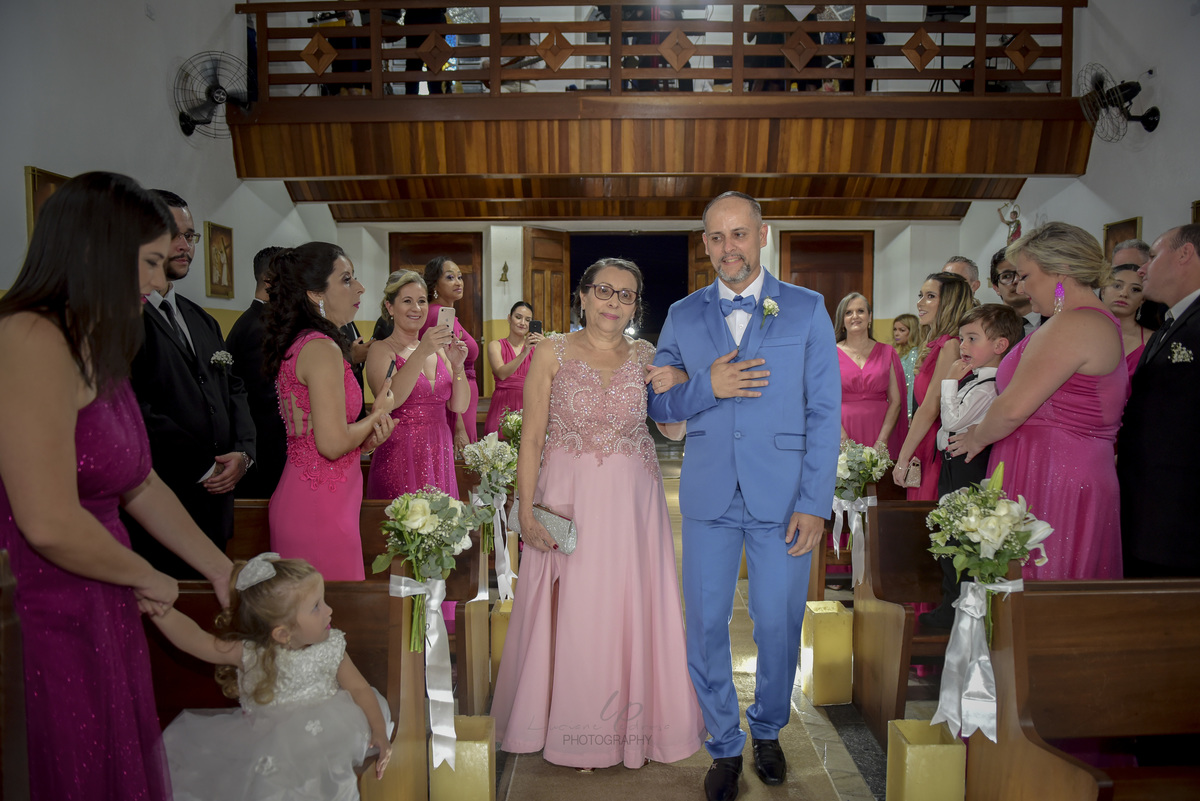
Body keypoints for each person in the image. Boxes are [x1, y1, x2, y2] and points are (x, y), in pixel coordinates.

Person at [0, 171, 233, 800]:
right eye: (150, 262)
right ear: (95, 251)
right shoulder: (28, 337)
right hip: (47, 601)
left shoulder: (94, 342)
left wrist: (219, 569)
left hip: (102, 586)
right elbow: (47, 520)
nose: (158, 282)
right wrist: (146, 575)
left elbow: (140, 481)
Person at [646, 192, 840, 801]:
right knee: (705, 624)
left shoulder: (807, 308)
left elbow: (824, 411)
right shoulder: (682, 314)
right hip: (708, 495)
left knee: (777, 624)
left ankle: (769, 729)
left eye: (739, 234)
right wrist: (708, 385)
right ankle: (725, 744)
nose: (728, 247)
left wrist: (815, 502)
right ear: (705, 243)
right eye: (716, 237)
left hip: (784, 499)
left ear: (762, 235)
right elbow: (660, 404)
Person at [492, 257, 704, 770]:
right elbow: (532, 438)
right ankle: (571, 726)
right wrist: (525, 508)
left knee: (630, 602)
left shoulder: (647, 355)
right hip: (568, 496)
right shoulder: (551, 351)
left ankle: (634, 729)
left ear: (635, 306)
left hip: (633, 506)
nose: (614, 302)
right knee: (577, 607)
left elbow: (672, 429)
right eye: (604, 291)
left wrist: (681, 383)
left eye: (626, 295)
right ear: (583, 296)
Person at [950, 222, 1127, 580]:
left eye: (1026, 276)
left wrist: (976, 437)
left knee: (1045, 583)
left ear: (1060, 271)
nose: (1020, 287)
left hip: (1055, 472)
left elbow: (1013, 408)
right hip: (1052, 464)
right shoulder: (1083, 322)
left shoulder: (1074, 324)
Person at [153, 554, 392, 798]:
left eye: (323, 600)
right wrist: (162, 613)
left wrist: (379, 730)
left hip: (328, 734)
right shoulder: (251, 654)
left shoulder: (331, 647)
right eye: (316, 606)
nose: (329, 610)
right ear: (283, 633)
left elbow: (360, 689)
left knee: (329, 780)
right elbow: (197, 641)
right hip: (270, 745)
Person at [124, 189, 256, 577]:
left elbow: (233, 388)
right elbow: (135, 406)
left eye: (190, 235)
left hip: (216, 500)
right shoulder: (123, 319)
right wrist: (202, 465)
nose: (185, 246)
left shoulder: (200, 319)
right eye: (173, 235)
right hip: (158, 497)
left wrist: (244, 451)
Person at [262, 243, 398, 581]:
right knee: (327, 607)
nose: (360, 288)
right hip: (319, 507)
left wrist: (366, 439)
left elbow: (318, 433)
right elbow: (332, 443)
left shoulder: (306, 342)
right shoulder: (321, 348)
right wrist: (377, 413)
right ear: (315, 292)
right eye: (347, 279)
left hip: (316, 496)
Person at [922, 304, 1022, 629]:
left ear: (1000, 345)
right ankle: (951, 605)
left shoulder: (988, 386)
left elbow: (952, 421)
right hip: (954, 465)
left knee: (961, 539)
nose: (963, 346)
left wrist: (948, 382)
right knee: (949, 535)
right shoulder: (975, 380)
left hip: (968, 469)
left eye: (971, 339)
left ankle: (957, 611)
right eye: (962, 338)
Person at [1120, 224, 1200, 577]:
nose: (1142, 269)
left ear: (1185, 254)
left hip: (1183, 513)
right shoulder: (1170, 323)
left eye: (1151, 257)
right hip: (1153, 508)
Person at [364, 270, 468, 503]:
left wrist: (458, 367)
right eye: (407, 301)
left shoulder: (439, 351)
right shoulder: (381, 350)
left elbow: (458, 405)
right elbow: (393, 400)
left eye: (421, 301)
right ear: (390, 307)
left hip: (439, 448)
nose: (417, 308)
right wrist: (422, 351)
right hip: (400, 452)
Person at [891, 272, 975, 500]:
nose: (920, 303)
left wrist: (902, 458)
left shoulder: (951, 346)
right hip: (924, 437)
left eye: (930, 296)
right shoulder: (937, 344)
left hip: (935, 444)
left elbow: (930, 407)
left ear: (949, 303)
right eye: (920, 295)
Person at [226, 246, 288, 498]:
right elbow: (266, 401)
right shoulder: (258, 328)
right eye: (289, 278)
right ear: (269, 280)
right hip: (267, 452)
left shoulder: (266, 322)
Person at [835, 292, 908, 458]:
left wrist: (882, 440)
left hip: (881, 430)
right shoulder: (830, 354)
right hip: (842, 431)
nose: (855, 316)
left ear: (870, 317)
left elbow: (896, 401)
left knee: (879, 474)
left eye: (860, 311)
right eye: (848, 312)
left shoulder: (887, 352)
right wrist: (841, 436)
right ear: (842, 320)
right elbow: (824, 400)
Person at [420, 257, 480, 451]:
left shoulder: (446, 314)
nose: (458, 282)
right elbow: (443, 371)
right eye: (450, 277)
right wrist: (459, 426)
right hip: (455, 404)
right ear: (435, 284)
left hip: (462, 397)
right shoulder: (438, 315)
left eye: (460, 277)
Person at [483, 300, 541, 436]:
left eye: (528, 320)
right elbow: (502, 374)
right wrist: (524, 352)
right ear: (509, 318)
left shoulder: (537, 349)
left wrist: (544, 347)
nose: (523, 323)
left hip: (528, 406)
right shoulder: (495, 345)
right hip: (502, 404)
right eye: (518, 317)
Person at [1100, 263, 1156, 377]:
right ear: (1103, 291)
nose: (1124, 294)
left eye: (1135, 289)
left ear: (1143, 299)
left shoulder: (1153, 340)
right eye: (1117, 286)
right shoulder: (1081, 331)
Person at [989, 247, 1039, 337]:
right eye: (1007, 276)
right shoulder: (985, 326)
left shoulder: (1057, 322)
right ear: (996, 288)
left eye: (1022, 274)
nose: (1016, 280)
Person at [893, 312, 920, 415]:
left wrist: (909, 413)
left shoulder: (913, 354)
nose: (896, 334)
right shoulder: (902, 354)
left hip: (905, 408)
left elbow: (912, 385)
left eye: (902, 330)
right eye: (895, 329)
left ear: (912, 332)